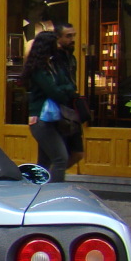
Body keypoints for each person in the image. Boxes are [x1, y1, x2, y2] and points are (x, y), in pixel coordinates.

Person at [22, 30, 76, 182]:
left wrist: (64, 89)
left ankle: (38, 193)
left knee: (44, 163)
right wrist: (65, 90)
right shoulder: (39, 70)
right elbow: (55, 91)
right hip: (41, 119)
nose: (58, 47)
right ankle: (54, 194)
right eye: (55, 44)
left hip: (51, 119)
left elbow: (69, 85)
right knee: (60, 158)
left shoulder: (52, 66)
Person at [52, 22, 85, 168]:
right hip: (58, 110)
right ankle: (53, 180)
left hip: (71, 110)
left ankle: (54, 177)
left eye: (73, 36)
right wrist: (69, 89)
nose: (72, 39)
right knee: (59, 155)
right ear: (58, 38)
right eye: (68, 36)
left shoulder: (71, 58)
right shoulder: (54, 58)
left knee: (77, 153)